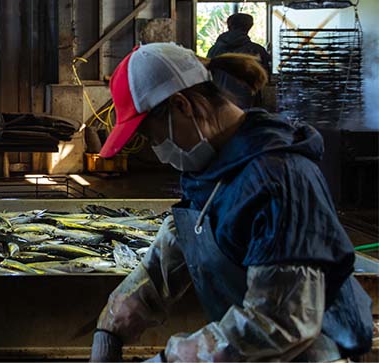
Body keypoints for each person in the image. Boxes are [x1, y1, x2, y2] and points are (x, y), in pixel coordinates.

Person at [90, 42, 372, 362]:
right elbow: (180, 243)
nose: (157, 149)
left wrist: (173, 358)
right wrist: (113, 321)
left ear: (182, 106)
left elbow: (278, 322)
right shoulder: (214, 167)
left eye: (154, 136)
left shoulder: (279, 179)